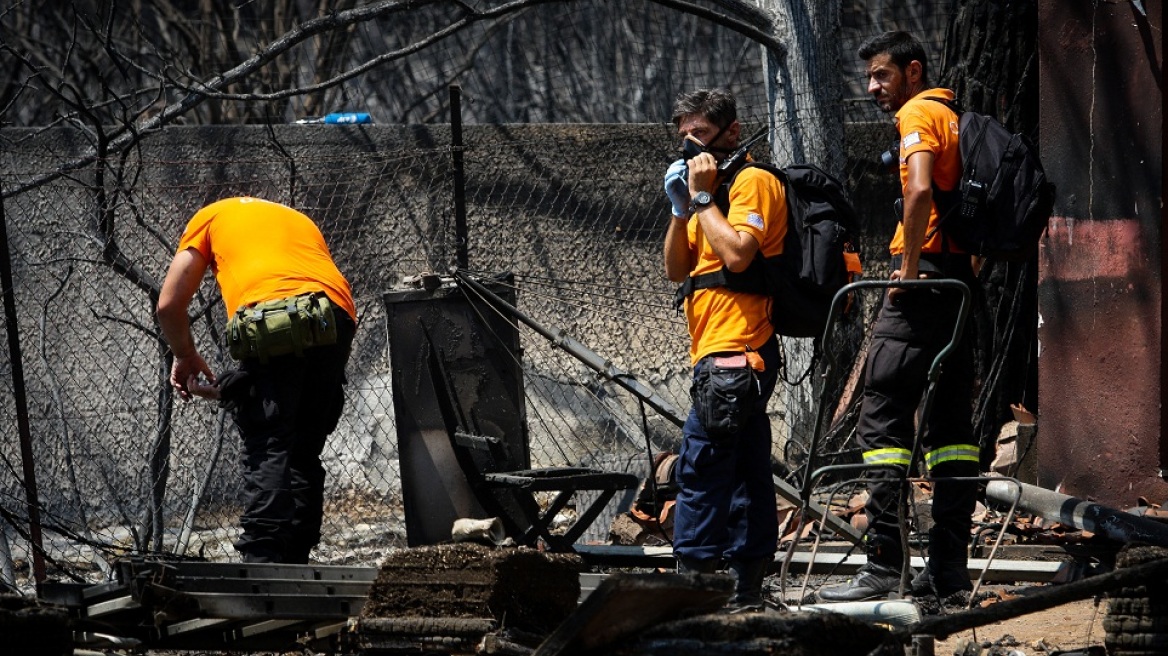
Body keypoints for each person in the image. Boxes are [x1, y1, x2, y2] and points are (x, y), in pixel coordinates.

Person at [817, 31, 980, 603]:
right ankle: (949, 571)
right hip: (960, 287)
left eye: (882, 75)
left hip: (922, 283)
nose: (872, 88)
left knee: (882, 420)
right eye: (868, 78)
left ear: (912, 71)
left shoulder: (918, 112)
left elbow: (916, 191)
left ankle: (885, 565)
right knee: (953, 435)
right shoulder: (958, 116)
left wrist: (906, 269)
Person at [157, 196, 357, 564]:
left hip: (273, 313)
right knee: (303, 447)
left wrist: (184, 355)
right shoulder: (298, 218)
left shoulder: (208, 217)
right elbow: (289, 369)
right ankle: (296, 558)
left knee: (269, 442)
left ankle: (262, 561)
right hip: (335, 317)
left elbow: (169, 304)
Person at [663, 88, 788, 613]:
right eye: (684, 137)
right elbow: (676, 271)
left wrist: (704, 198)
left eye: (700, 136)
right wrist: (679, 208)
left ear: (732, 133)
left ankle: (693, 592)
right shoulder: (704, 195)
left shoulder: (751, 183)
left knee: (700, 473)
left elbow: (738, 255)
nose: (691, 148)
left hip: (738, 353)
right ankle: (746, 592)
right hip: (714, 354)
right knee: (747, 474)